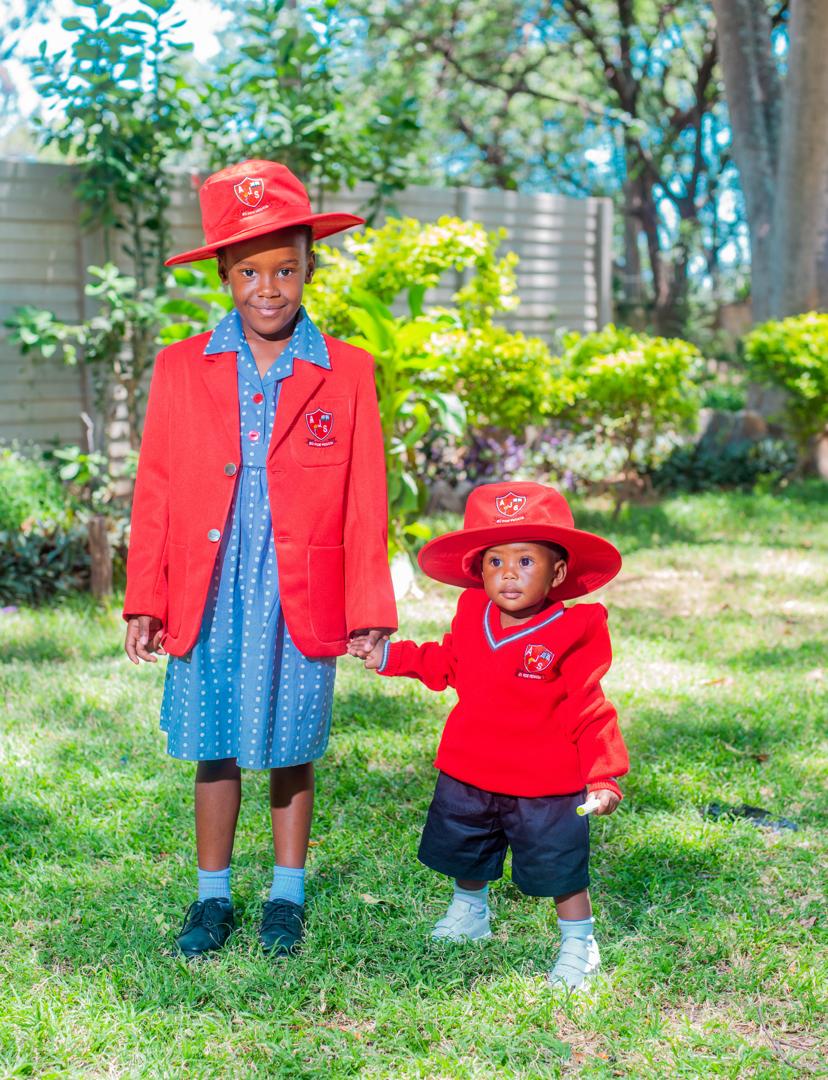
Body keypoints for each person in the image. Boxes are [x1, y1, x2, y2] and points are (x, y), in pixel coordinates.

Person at [123, 160, 396, 959]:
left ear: (311, 266)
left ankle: (286, 894)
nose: (268, 287)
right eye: (249, 271)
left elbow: (364, 500)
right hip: (207, 586)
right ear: (223, 275)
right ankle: (212, 899)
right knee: (214, 742)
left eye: (286, 269)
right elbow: (158, 486)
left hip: (298, 590)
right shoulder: (180, 367)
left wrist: (370, 611)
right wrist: (148, 596)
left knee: (292, 742)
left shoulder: (345, 370)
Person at [350, 481, 628, 991]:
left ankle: (577, 941)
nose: (509, 574)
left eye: (526, 561)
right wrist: (392, 657)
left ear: (558, 571)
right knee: (467, 849)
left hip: (544, 782)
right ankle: (470, 911)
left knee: (559, 867)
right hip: (470, 768)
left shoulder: (575, 629)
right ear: (479, 572)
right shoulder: (473, 614)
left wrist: (604, 776)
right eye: (496, 561)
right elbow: (448, 662)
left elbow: (590, 708)